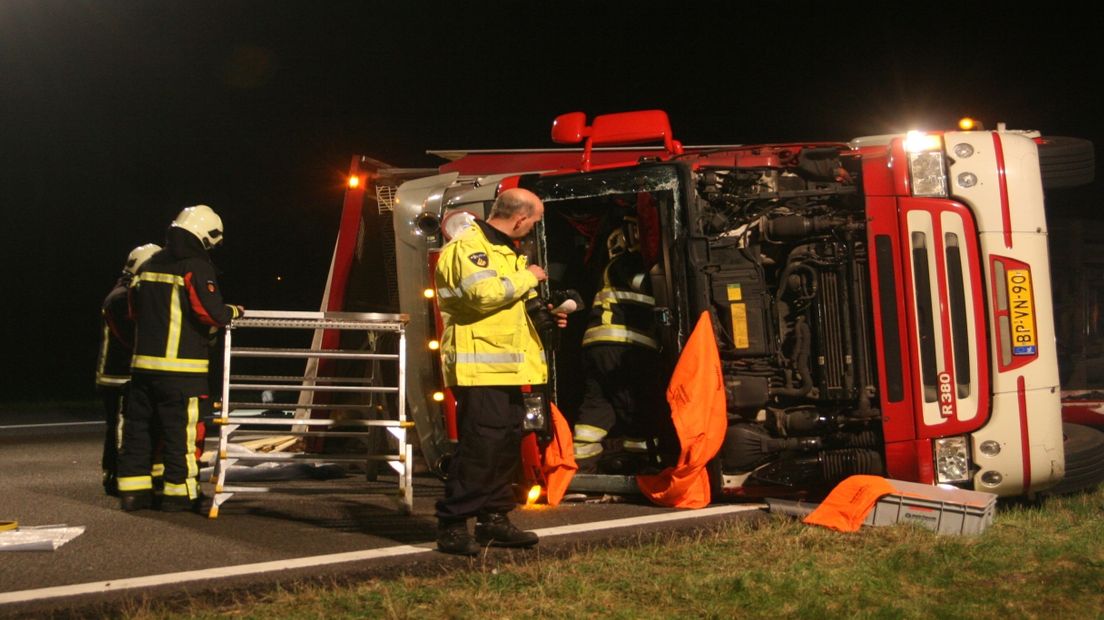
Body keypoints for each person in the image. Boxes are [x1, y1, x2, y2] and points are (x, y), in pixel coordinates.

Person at [434, 187, 563, 555]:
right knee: (480, 448)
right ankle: (454, 525)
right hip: (480, 369)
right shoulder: (468, 248)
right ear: (520, 218)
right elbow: (484, 295)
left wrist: (548, 315)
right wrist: (530, 277)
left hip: (506, 367)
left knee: (505, 445)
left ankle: (494, 520)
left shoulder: (506, 252)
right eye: (533, 221)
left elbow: (512, 307)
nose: (532, 228)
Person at [116, 205, 242, 512]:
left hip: (143, 369)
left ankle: (134, 494)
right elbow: (210, 313)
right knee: (180, 436)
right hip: (182, 373)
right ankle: (179, 494)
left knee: (139, 433)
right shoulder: (195, 266)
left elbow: (132, 311)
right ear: (205, 234)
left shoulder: (148, 264)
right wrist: (234, 312)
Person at [572, 217, 663, 473]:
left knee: (597, 408)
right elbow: (648, 284)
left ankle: (581, 465)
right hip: (624, 346)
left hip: (597, 348)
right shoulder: (624, 264)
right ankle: (641, 464)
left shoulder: (606, 268)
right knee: (636, 406)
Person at [96, 243, 161, 496]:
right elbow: (132, 337)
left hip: (121, 374)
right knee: (122, 429)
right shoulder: (121, 298)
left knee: (122, 428)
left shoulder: (125, 293)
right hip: (118, 376)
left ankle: (116, 474)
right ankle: (119, 477)